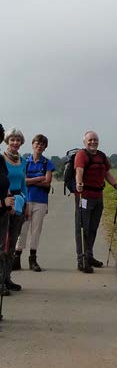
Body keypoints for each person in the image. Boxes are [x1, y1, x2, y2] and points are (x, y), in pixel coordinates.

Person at [74, 131, 117, 273]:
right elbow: (79, 170)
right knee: (82, 228)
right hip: (84, 196)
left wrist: (116, 185)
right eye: (90, 140)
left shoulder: (102, 156)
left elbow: (107, 173)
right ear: (85, 142)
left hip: (98, 196)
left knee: (93, 228)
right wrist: (79, 184)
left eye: (95, 140)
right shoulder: (81, 155)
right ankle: (81, 260)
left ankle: (89, 256)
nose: (93, 142)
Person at [15, 134, 55, 272]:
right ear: (32, 144)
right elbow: (23, 181)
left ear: (45, 147)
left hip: (41, 202)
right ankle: (17, 258)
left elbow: (47, 182)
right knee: (22, 229)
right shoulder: (25, 162)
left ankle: (33, 259)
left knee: (36, 231)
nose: (39, 146)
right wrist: (39, 178)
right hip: (26, 200)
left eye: (42, 144)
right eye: (37, 143)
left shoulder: (47, 163)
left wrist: (31, 181)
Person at [2, 127, 29, 292]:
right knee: (2, 244)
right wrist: (7, 203)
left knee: (12, 243)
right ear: (7, 141)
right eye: (12, 139)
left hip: (20, 202)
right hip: (5, 202)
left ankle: (7, 277)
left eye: (18, 140)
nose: (15, 143)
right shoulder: (1, 159)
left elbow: (24, 184)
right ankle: (0, 282)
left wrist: (26, 204)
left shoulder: (23, 161)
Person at [0, 124, 15, 297]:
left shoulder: (0, 160)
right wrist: (2, 203)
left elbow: (6, 184)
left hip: (3, 214)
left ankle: (2, 281)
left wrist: (9, 201)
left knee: (2, 251)